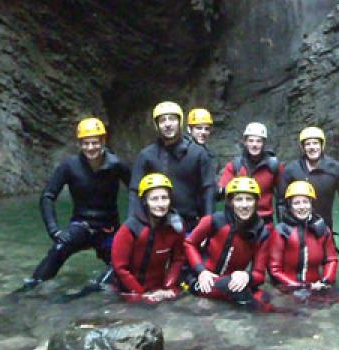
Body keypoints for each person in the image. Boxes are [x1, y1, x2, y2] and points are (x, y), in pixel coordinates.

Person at [24, 117, 130, 289]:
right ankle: (31, 287)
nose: (90, 148)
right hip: (82, 225)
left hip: (108, 228)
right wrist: (53, 229)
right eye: (85, 143)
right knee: (58, 249)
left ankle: (94, 289)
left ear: (103, 141)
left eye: (95, 143)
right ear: (80, 144)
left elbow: (137, 191)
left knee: (121, 264)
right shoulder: (69, 166)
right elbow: (48, 196)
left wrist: (131, 225)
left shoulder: (116, 165)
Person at [184, 177, 272, 310]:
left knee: (265, 297)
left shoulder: (261, 232)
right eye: (239, 199)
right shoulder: (213, 221)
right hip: (201, 279)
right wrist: (201, 271)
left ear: (256, 202)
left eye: (249, 199)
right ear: (230, 202)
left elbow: (259, 275)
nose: (244, 205)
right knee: (243, 294)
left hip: (230, 281)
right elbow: (189, 244)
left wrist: (246, 275)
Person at [128, 101, 216, 232]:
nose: (168, 124)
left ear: (180, 122)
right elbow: (135, 192)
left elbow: (208, 190)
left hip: (191, 225)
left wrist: (207, 226)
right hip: (155, 225)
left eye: (172, 119)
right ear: (157, 125)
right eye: (163, 120)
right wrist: (134, 226)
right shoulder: (146, 156)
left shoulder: (198, 154)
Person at [278, 127, 339, 256]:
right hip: (296, 233)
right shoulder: (291, 170)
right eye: (308, 144)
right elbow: (281, 203)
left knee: (329, 272)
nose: (312, 147)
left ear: (322, 145)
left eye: (315, 143)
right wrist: (282, 233)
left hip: (324, 232)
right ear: (302, 147)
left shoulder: (336, 169)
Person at [112, 173, 185, 303]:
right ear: (145, 201)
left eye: (164, 198)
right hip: (129, 288)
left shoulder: (176, 226)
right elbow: (120, 268)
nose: (161, 204)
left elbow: (178, 259)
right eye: (154, 199)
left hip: (158, 287)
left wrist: (167, 288)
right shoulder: (130, 228)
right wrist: (142, 294)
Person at [269, 181, 338, 292]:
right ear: (290, 206)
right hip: (289, 289)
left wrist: (326, 281)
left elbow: (331, 260)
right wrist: (301, 287)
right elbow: (275, 270)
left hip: (317, 286)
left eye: (305, 202)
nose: (302, 207)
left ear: (311, 204)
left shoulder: (323, 230)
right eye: (296, 203)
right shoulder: (281, 231)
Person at [218, 122, 283, 227]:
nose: (254, 145)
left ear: (264, 143)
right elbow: (221, 191)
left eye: (258, 141)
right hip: (240, 221)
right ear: (245, 142)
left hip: (265, 221)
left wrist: (282, 226)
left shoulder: (273, 166)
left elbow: (282, 199)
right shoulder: (235, 166)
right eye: (251, 141)